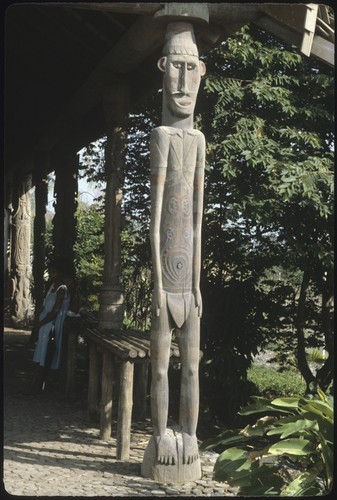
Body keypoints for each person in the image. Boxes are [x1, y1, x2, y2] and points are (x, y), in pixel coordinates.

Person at [148, 22, 206, 466]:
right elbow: (154, 223)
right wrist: (156, 284)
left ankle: (190, 435)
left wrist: (199, 283)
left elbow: (198, 222)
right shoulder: (163, 136)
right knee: (161, 366)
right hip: (166, 284)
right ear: (162, 69)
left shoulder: (199, 140)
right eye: (176, 69)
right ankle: (161, 436)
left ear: (202, 72)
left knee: (191, 366)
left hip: (190, 284)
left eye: (192, 69)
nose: (184, 83)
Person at [29, 257, 74, 393]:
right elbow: (44, 307)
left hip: (51, 326)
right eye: (50, 271)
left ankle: (39, 385)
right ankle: (36, 384)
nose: (51, 274)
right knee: (40, 355)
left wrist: (40, 324)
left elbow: (55, 312)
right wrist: (37, 322)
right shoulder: (51, 287)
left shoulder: (62, 289)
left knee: (45, 356)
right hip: (44, 325)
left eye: (54, 272)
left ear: (60, 273)